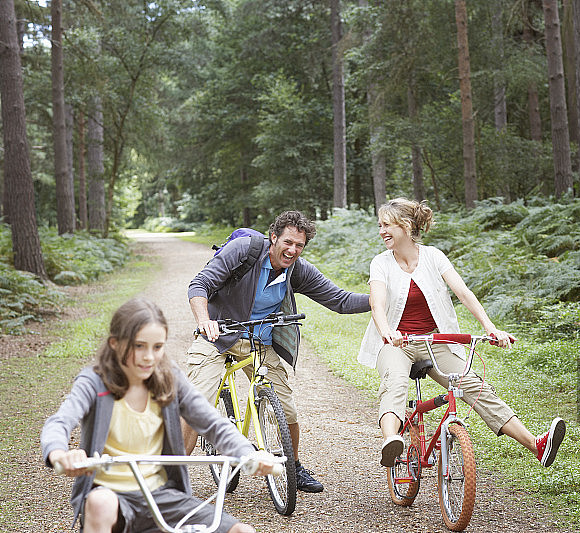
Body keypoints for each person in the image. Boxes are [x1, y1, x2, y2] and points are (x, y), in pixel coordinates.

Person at [358, 198, 566, 469]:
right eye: (380, 225)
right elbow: (378, 303)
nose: (382, 231)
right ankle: (391, 441)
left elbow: (464, 293)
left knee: (473, 385)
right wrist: (388, 333)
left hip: (434, 340)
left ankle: (536, 445)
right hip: (397, 343)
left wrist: (490, 328)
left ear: (406, 226)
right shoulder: (381, 263)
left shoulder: (433, 256)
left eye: (386, 225)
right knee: (395, 383)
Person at [41, 298, 280, 533]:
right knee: (100, 503)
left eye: (157, 347)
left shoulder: (169, 378)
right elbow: (61, 421)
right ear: (115, 343)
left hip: (161, 496)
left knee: (241, 530)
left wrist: (248, 454)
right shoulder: (95, 382)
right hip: (111, 497)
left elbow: (212, 423)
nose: (149, 357)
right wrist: (59, 453)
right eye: (139, 346)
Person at [183, 210, 370, 493]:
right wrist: (204, 321)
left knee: (287, 410)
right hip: (218, 336)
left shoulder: (297, 270)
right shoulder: (243, 251)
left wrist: (379, 298)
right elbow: (200, 284)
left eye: (299, 245)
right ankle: (174, 477)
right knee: (197, 405)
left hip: (259, 341)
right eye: (288, 242)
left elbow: (339, 300)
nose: (292, 250)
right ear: (273, 237)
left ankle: (293, 466)